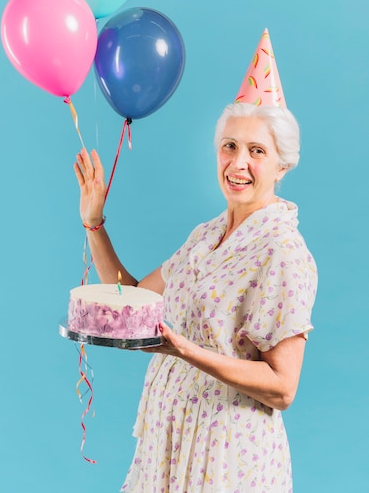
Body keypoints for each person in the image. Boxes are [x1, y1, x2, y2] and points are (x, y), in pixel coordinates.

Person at [73, 31, 317, 492]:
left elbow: (283, 387)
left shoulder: (283, 251)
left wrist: (183, 349)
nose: (238, 162)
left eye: (257, 151)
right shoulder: (204, 237)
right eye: (230, 145)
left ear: (282, 166)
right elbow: (133, 300)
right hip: (170, 441)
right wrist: (95, 223)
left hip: (227, 454)